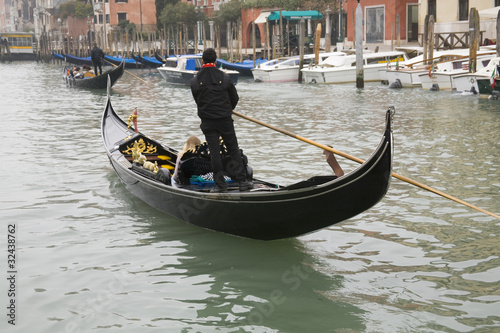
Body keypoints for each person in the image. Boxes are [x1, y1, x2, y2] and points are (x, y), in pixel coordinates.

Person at [191, 48, 253, 193]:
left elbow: (198, 100)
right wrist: (227, 109)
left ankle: (220, 185)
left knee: (214, 152)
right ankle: (243, 181)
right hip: (225, 120)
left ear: (202, 61)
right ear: (216, 61)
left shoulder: (195, 81)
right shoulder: (225, 78)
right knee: (233, 150)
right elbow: (235, 98)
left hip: (208, 121)